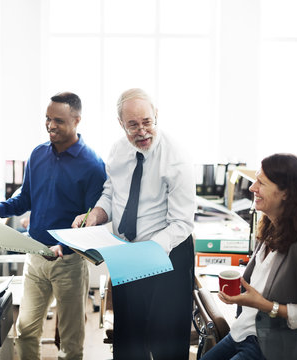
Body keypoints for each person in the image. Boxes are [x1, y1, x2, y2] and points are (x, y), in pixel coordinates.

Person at [72, 88, 196, 360]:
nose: (142, 131)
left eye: (147, 122)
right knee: (128, 339)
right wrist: (96, 215)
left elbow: (182, 222)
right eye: (133, 125)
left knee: (167, 342)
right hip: (127, 253)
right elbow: (111, 192)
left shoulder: (177, 157)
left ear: (156, 116)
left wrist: (147, 253)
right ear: (121, 124)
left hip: (168, 255)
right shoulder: (118, 150)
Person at [0, 92, 106, 360]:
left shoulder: (93, 166)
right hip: (35, 256)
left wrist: (66, 244)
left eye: (58, 121)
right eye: (47, 119)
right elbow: (25, 198)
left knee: (71, 340)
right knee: (26, 330)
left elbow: (91, 222)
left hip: (69, 262)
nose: (50, 125)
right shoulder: (38, 154)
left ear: (77, 120)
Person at [201, 153, 297, 360]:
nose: (252, 188)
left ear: (286, 193)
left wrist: (267, 306)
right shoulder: (269, 227)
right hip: (242, 331)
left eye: (261, 183)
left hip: (273, 345)